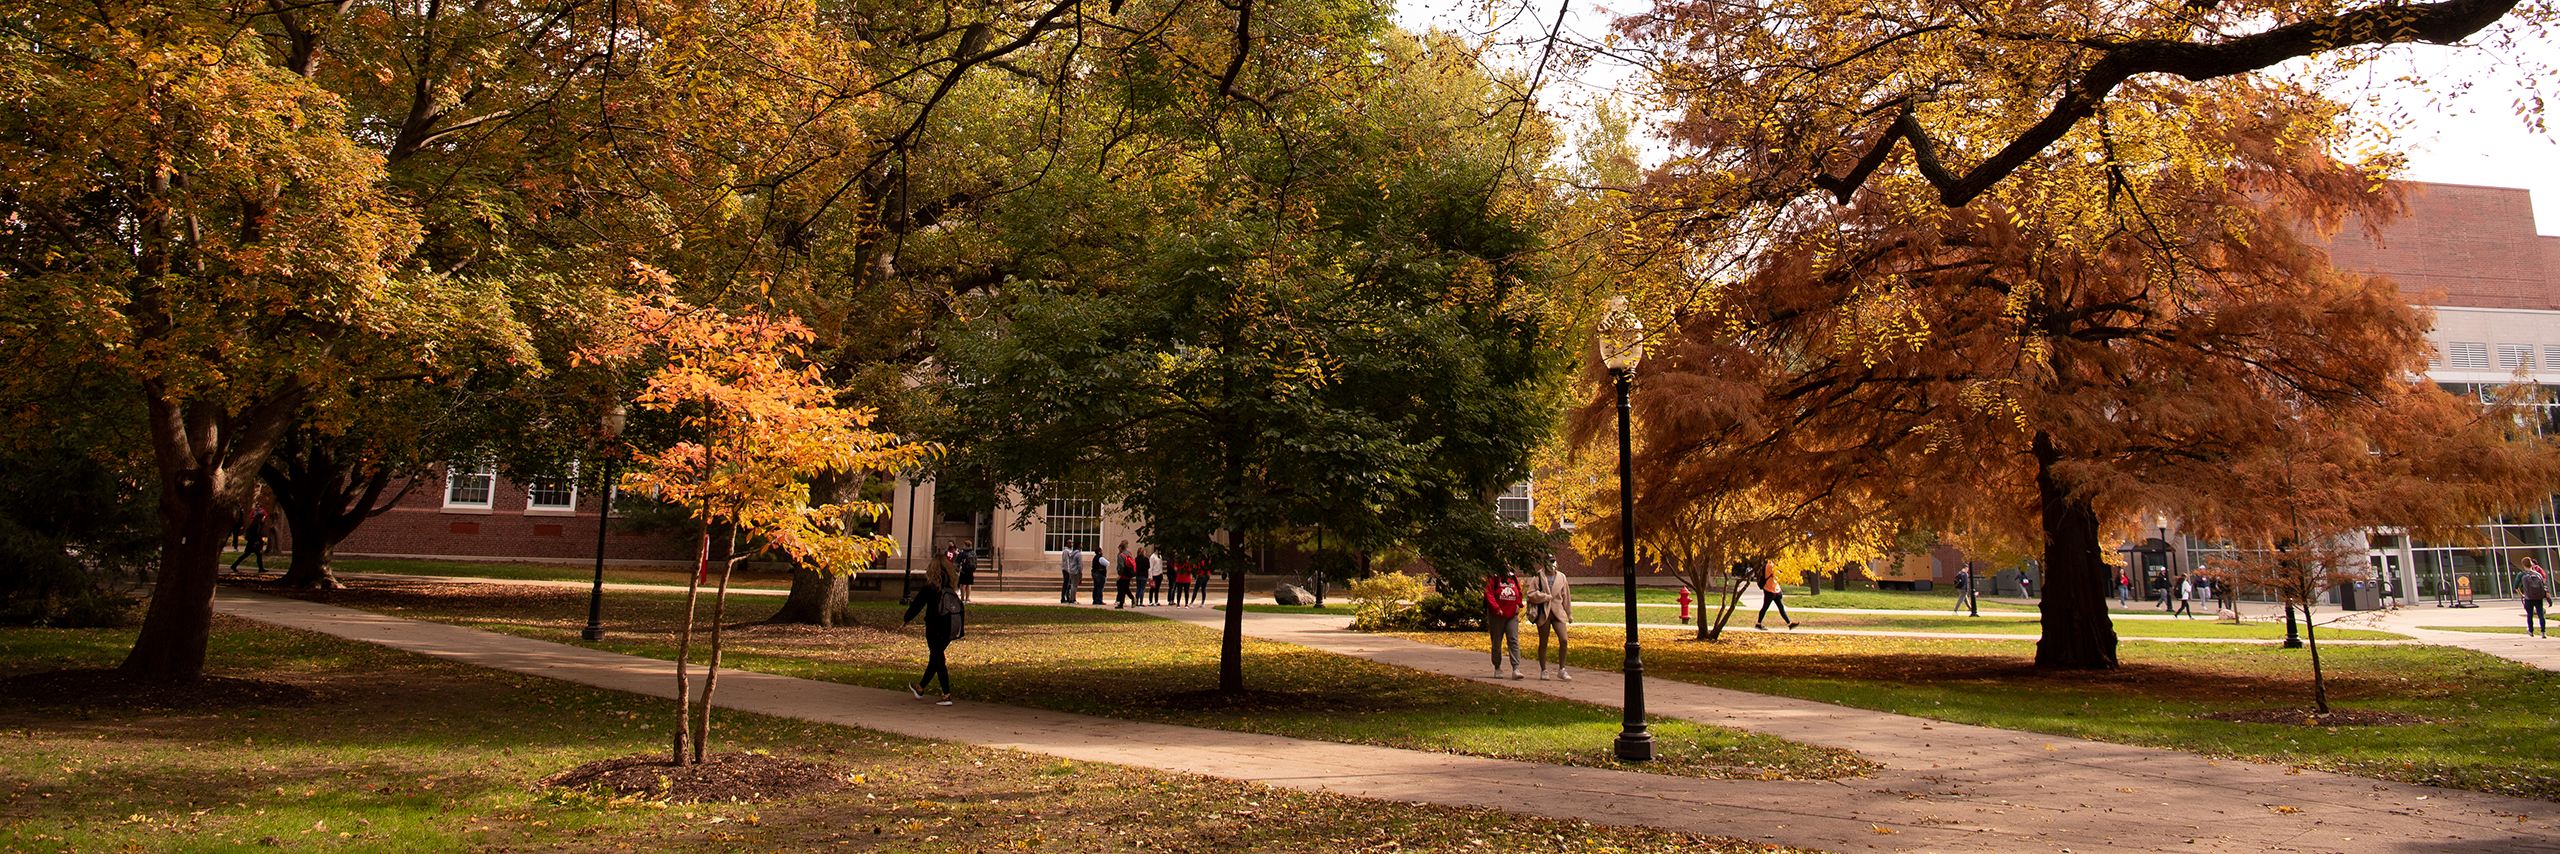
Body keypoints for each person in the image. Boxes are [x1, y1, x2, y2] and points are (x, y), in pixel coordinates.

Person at [903, 558, 964, 706]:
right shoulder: (950, 585)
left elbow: (917, 604)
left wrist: (906, 618)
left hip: (934, 626)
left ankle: (946, 694)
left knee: (938, 659)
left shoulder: (930, 586)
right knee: (935, 658)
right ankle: (920, 688)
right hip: (949, 626)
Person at [1526, 561, 1574, 680]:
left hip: (1558, 612)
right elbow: (1530, 594)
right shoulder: (1538, 577)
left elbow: (1566, 596)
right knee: (1543, 642)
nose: (1552, 565)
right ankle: (1544, 670)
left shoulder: (1562, 577)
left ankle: (1562, 669)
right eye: (1549, 562)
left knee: (1563, 639)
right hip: (1544, 613)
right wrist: (1544, 597)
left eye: (1554, 562)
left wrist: (1570, 614)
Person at [1483, 567, 1525, 679]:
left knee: (1513, 640)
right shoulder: (1493, 577)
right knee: (1496, 641)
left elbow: (1519, 593)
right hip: (1497, 615)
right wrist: (1496, 608)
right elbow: (1488, 594)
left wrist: (1519, 604)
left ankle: (1516, 668)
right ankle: (1497, 667)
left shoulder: (1513, 577)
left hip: (1511, 615)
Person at [1754, 563, 1796, 630]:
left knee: (1781, 607)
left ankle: (1789, 624)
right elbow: (1778, 574)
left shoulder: (1773, 564)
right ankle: (1758, 624)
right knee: (1765, 607)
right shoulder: (1769, 565)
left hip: (1776, 590)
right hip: (1769, 590)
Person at [228, 506, 270, 574]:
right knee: (253, 554)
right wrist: (261, 540)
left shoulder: (257, 524)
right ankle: (260, 568)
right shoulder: (256, 525)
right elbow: (256, 534)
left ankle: (235, 565)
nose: (263, 520)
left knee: (250, 554)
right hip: (253, 542)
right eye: (263, 518)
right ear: (259, 518)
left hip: (252, 542)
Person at [2520, 558, 2550, 637]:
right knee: (2541, 615)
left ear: (2523, 565)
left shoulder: (2522, 574)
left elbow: (2516, 586)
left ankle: (2531, 631)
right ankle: (2543, 632)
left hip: (2529, 597)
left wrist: (2521, 594)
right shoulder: (2538, 574)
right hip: (2539, 597)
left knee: (2530, 614)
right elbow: (2544, 585)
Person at [1114, 541, 1137, 608]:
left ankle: (1121, 604)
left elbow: (1121, 566)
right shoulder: (1129, 554)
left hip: (1123, 574)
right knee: (1126, 588)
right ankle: (1132, 598)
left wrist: (1120, 575)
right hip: (1128, 573)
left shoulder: (1120, 555)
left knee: (1121, 589)